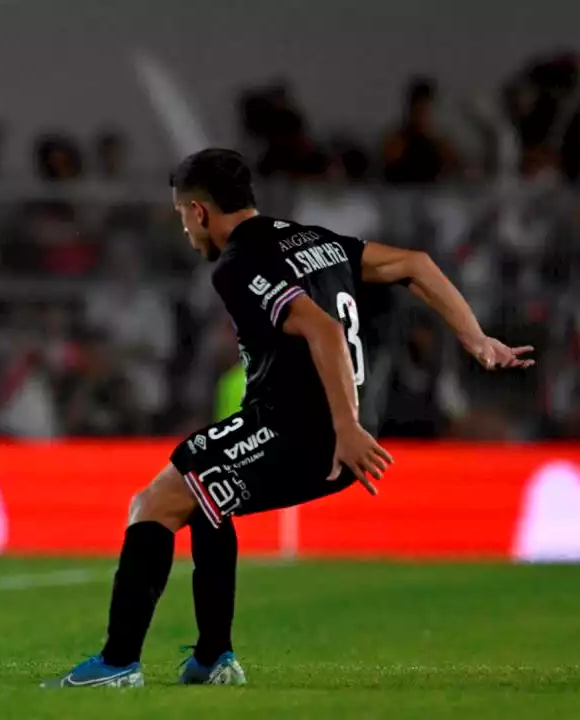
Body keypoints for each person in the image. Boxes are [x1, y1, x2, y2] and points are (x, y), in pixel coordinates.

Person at [46, 148, 534, 689]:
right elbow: (415, 263)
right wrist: (477, 339)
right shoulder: (315, 240)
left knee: (154, 502)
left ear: (200, 211)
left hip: (308, 430)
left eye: (183, 214)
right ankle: (213, 660)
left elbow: (323, 330)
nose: (184, 228)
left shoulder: (239, 264)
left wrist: (345, 429)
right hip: (330, 428)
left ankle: (117, 664)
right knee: (208, 493)